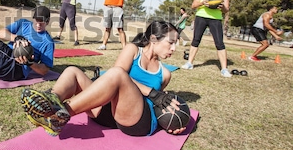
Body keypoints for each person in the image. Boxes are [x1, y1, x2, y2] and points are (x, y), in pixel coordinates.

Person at [21, 21, 187, 137]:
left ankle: (59, 115)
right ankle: (51, 100)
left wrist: (172, 122)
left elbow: (159, 104)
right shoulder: (133, 50)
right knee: (73, 71)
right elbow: (118, 75)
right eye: (171, 42)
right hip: (107, 113)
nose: (174, 48)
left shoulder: (165, 74)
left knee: (117, 75)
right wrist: (152, 93)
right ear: (153, 39)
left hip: (136, 120)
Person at [181, 0, 232, 77]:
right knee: (196, 40)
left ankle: (224, 69)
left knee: (219, 43)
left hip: (216, 19)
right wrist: (202, 2)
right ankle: (189, 63)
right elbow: (194, 5)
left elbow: (226, 10)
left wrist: (222, 7)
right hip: (201, 17)